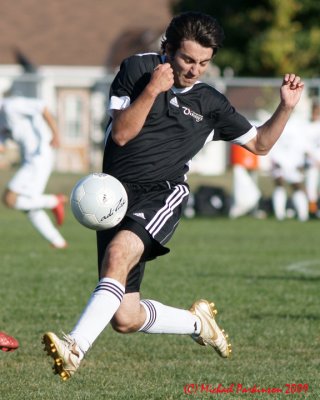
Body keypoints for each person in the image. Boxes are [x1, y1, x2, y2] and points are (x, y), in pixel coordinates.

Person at [42, 11, 304, 380]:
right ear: (167, 49)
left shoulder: (210, 104)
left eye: (204, 63)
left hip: (163, 194)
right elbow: (121, 135)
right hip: (115, 196)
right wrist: (152, 89)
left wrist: (286, 107)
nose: (195, 70)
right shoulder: (137, 70)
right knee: (125, 317)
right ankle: (199, 324)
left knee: (119, 254)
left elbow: (260, 143)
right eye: (187, 60)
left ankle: (75, 348)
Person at [0, 94, 68, 249]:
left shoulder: (12, 106)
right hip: (30, 160)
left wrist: (55, 134)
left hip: (39, 157)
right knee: (29, 205)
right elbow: (2, 146)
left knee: (9, 198)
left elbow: (42, 107)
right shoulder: (1, 118)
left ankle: (54, 201)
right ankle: (58, 241)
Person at [269, 117, 309, 222]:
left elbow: (302, 145)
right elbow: (271, 141)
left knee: (297, 186)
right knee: (279, 184)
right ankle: (279, 214)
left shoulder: (298, 125)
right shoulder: (275, 121)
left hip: (294, 163)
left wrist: (301, 162)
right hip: (279, 162)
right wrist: (274, 160)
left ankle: (303, 215)